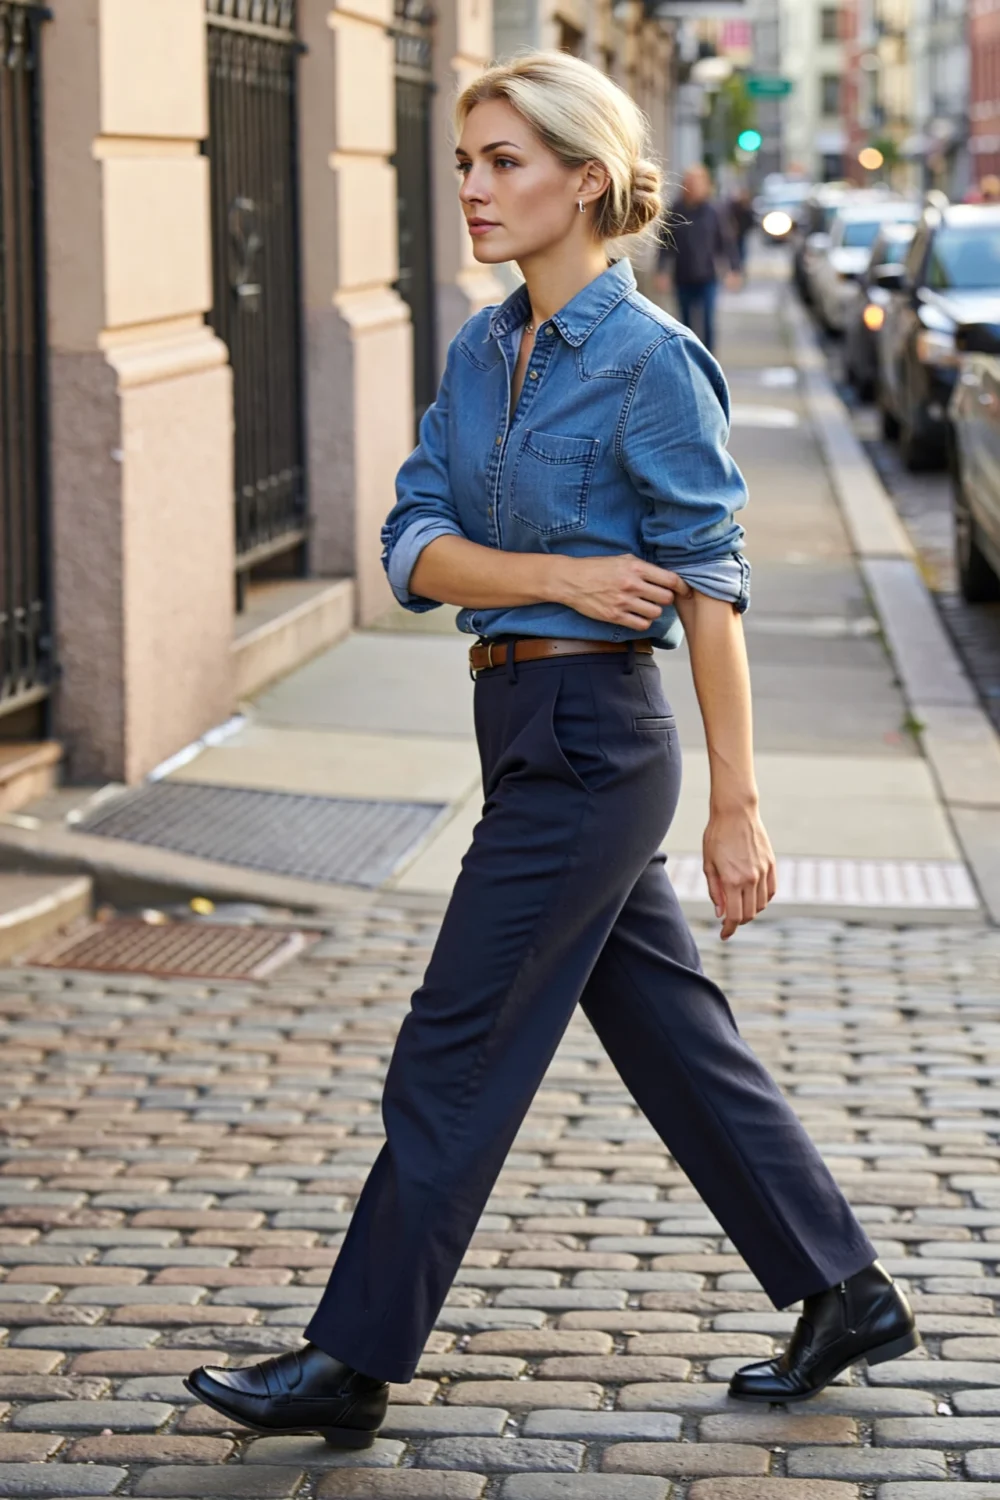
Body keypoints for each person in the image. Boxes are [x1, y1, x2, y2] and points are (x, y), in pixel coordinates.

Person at [185, 49, 920, 1447]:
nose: (472, 187)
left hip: (597, 739)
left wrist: (737, 806)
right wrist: (562, 577)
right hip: (517, 716)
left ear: (588, 181)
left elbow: (709, 588)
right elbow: (409, 548)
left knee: (453, 1041)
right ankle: (844, 1288)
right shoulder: (479, 348)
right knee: (669, 1035)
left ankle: (352, 1358)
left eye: (504, 161)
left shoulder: (652, 364)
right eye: (465, 162)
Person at [654, 163, 741, 353]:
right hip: (682, 276)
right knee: (684, 323)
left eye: (697, 182)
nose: (693, 187)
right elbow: (664, 244)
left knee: (708, 322)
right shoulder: (675, 211)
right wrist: (661, 272)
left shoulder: (715, 211)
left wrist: (734, 269)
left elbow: (726, 242)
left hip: (707, 276)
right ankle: (689, 357)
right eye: (689, 182)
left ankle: (709, 359)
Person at [728, 184, 756, 275]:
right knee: (737, 251)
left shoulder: (747, 207)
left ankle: (740, 267)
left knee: (742, 251)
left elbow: (750, 220)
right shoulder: (735, 206)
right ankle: (737, 267)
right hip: (735, 234)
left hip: (742, 233)